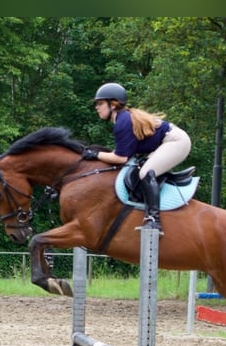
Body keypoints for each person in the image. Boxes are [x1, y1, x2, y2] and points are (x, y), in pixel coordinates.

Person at [82, 82, 192, 233]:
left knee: (145, 173)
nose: (97, 107)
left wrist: (95, 154)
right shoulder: (123, 119)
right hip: (169, 141)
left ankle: (154, 220)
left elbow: (121, 158)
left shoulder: (123, 122)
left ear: (113, 105)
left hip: (176, 141)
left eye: (100, 103)